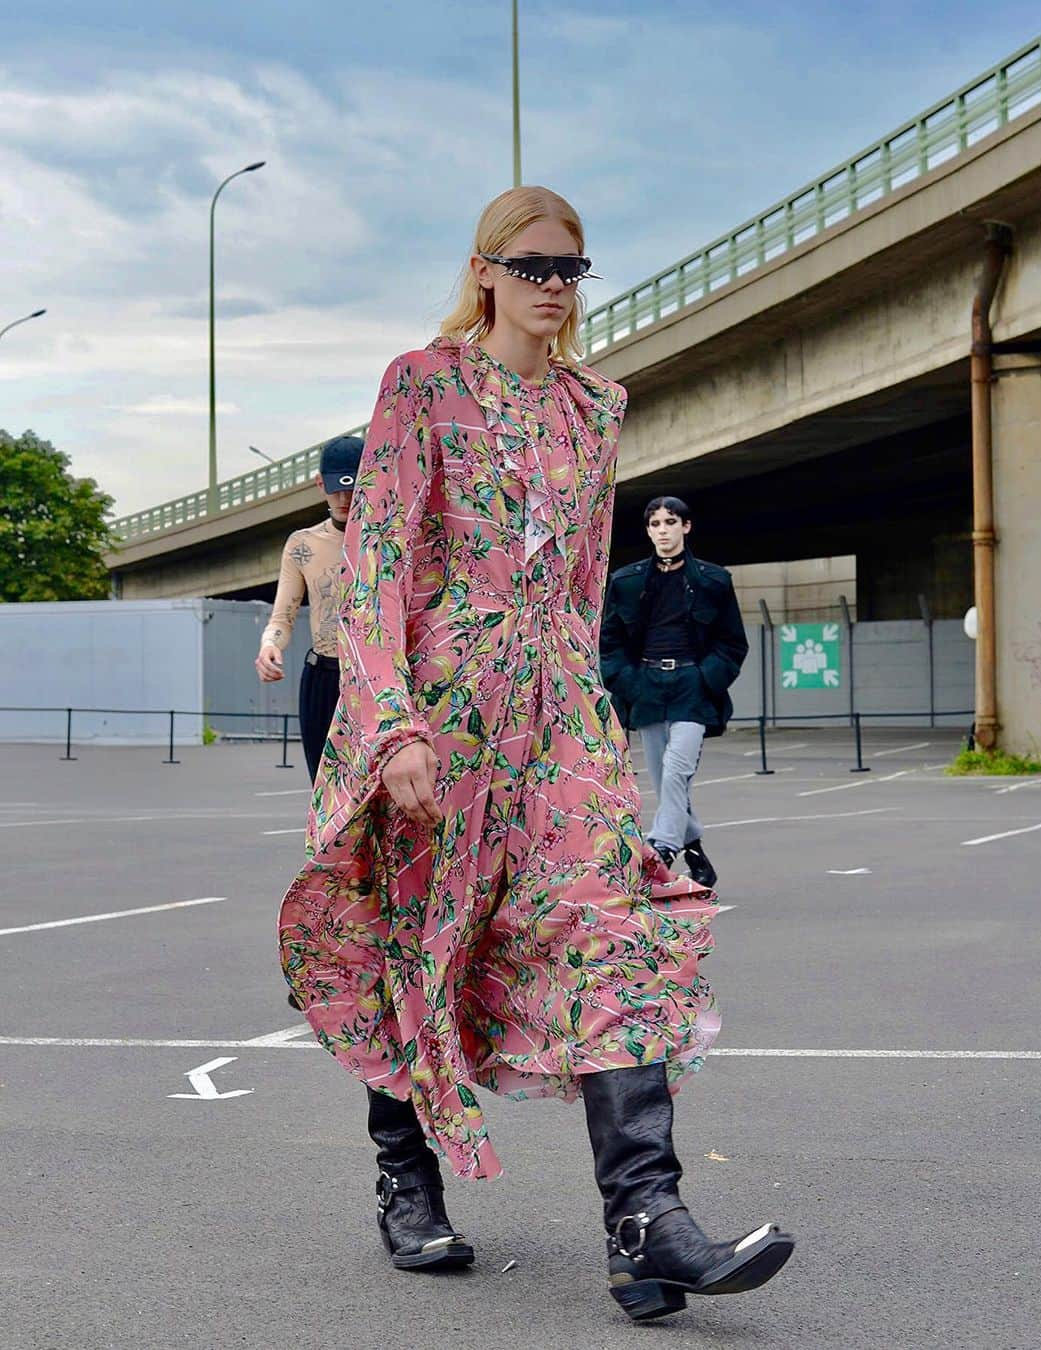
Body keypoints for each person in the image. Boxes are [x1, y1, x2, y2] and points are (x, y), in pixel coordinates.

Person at [277, 186, 792, 1320]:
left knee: (614, 926)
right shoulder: (423, 385)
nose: (555, 287)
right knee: (422, 933)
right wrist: (391, 725)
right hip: (444, 711)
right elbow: (375, 573)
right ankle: (406, 1179)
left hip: (559, 714)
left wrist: (594, 714)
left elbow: (572, 579)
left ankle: (645, 1220)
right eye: (535, 266)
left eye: (573, 268)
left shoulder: (594, 407)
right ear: (487, 271)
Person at [600, 497, 749, 888]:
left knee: (676, 770)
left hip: (692, 687)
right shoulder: (626, 581)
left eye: (670, 521)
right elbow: (610, 643)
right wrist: (628, 682)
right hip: (646, 686)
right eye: (655, 523)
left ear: (686, 526)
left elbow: (732, 643)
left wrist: (706, 679)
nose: (662, 529)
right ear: (648, 530)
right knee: (663, 775)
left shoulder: (714, 581)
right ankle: (695, 849)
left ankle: (662, 846)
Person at [255, 435, 364, 782]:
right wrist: (269, 645)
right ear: (321, 484)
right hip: (323, 677)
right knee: (323, 788)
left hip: (373, 678)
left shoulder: (389, 538)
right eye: (336, 488)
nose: (345, 498)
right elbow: (283, 615)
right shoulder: (302, 544)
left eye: (353, 486)